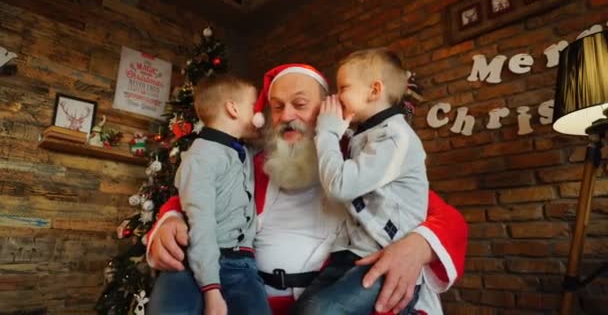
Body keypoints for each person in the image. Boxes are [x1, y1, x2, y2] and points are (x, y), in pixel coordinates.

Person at [147, 63, 468, 315]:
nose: (287, 116)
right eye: (277, 106)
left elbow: (445, 217)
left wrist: (418, 245)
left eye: (300, 104)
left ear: (328, 110)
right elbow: (195, 192)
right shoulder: (254, 164)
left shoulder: (360, 161)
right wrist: (170, 218)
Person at [293, 48, 429, 314]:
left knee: (318, 312)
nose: (336, 97)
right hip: (350, 254)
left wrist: (327, 133)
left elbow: (340, 186)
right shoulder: (365, 134)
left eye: (343, 87)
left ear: (374, 90)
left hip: (385, 256)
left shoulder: (395, 137)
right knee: (303, 309)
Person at [149, 75, 271, 315]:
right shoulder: (201, 158)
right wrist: (211, 290)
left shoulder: (241, 149)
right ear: (233, 108)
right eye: (254, 106)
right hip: (206, 261)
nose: (259, 113)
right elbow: (201, 223)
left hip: (242, 264)